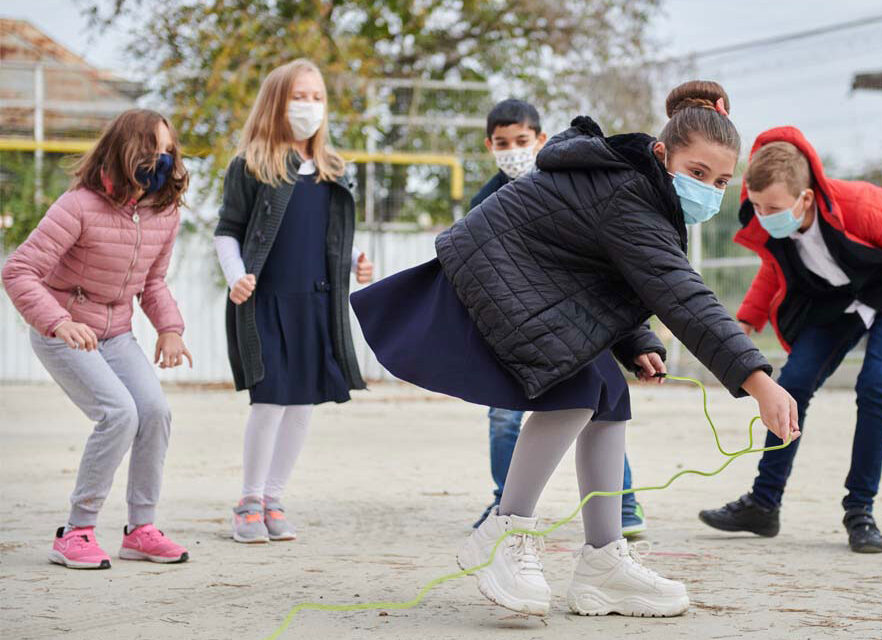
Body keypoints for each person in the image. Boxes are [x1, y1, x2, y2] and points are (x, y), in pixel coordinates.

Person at [351, 81, 799, 617]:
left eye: (721, 181)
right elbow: (682, 294)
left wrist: (636, 340)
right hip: (494, 276)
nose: (707, 187)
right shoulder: (628, 194)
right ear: (663, 153)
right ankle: (504, 533)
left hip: (531, 282)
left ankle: (604, 563)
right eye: (697, 172)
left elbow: (608, 271)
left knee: (609, 396)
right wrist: (758, 380)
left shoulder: (638, 191)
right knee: (577, 387)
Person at [698, 128, 882, 553]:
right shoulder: (772, 222)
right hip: (835, 301)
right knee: (791, 383)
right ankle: (763, 504)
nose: (763, 216)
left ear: (806, 198)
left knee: (875, 386)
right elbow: (775, 269)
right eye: (757, 206)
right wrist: (746, 320)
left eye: (774, 208)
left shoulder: (860, 204)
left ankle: (860, 511)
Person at [2, 109, 193, 569]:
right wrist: (57, 322)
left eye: (169, 152)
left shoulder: (163, 212)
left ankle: (141, 529)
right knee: (119, 413)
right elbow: (18, 270)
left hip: (116, 333)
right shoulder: (79, 205)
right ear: (124, 152)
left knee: (155, 412)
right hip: (63, 333)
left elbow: (152, 282)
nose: (162, 161)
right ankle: (76, 531)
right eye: (152, 152)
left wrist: (170, 328)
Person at [469, 98, 648, 537]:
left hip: (582, 323)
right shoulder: (484, 202)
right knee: (504, 416)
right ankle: (505, 501)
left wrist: (636, 337)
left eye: (522, 140)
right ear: (490, 145)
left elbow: (607, 265)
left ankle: (622, 504)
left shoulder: (566, 186)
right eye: (502, 142)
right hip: (515, 326)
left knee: (602, 407)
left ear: (541, 140)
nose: (512, 149)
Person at [214, 59, 373, 544]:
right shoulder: (251, 165)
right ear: (275, 103)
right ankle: (248, 499)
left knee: (302, 403)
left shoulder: (334, 171)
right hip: (266, 301)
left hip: (316, 303)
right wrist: (236, 276)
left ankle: (274, 498)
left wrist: (353, 267)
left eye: (317, 97)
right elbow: (227, 232)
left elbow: (334, 239)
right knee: (270, 401)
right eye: (298, 97)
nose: (309, 106)